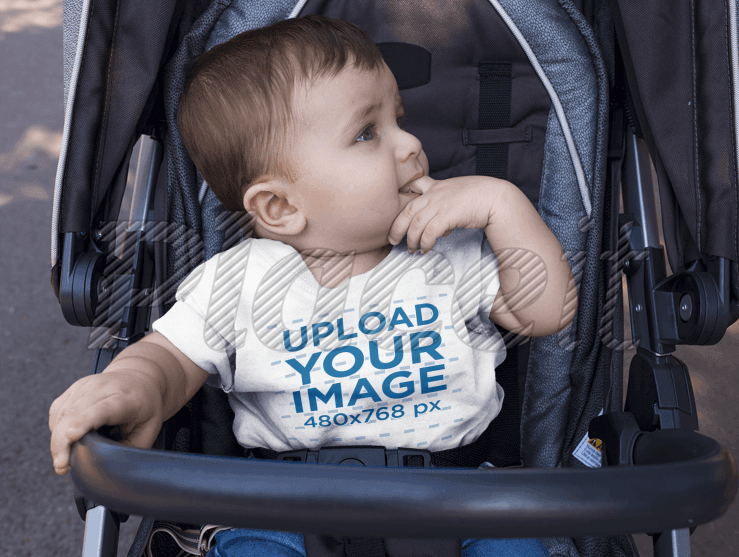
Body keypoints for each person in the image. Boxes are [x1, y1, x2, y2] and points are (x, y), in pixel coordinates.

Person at [49, 15, 575, 557]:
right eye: (368, 133)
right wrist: (129, 387)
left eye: (400, 118)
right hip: (282, 509)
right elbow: (168, 359)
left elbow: (548, 312)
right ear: (280, 206)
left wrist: (502, 203)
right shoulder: (239, 279)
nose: (412, 144)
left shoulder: (453, 251)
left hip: (458, 502)